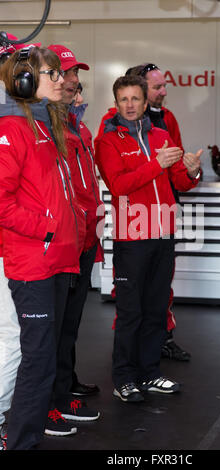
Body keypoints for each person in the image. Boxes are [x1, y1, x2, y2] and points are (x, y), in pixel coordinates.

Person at [94, 75, 202, 402]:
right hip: (133, 236)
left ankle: (150, 372)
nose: (129, 105)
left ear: (145, 102)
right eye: (123, 99)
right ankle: (124, 377)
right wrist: (156, 164)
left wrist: (193, 170)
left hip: (164, 233)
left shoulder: (161, 134)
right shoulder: (108, 141)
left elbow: (180, 182)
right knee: (131, 312)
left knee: (156, 309)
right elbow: (119, 185)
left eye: (135, 99)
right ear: (116, 103)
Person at [0, 46, 86, 449]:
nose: (60, 80)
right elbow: (3, 203)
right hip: (33, 261)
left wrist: (71, 231)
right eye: (51, 74)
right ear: (23, 81)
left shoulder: (46, 128)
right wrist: (48, 230)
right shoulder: (14, 129)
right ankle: (18, 442)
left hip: (58, 259)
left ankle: (23, 438)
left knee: (44, 361)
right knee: (37, 362)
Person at [47, 44, 104, 403]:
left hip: (86, 239)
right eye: (67, 73)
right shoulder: (48, 129)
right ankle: (53, 392)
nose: (73, 80)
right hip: (64, 241)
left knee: (71, 322)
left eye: (76, 74)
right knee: (53, 326)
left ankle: (66, 381)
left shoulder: (79, 130)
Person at [0, 34, 41, 452]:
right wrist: (45, 227)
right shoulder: (10, 124)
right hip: (9, 247)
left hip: (12, 245)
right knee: (12, 338)